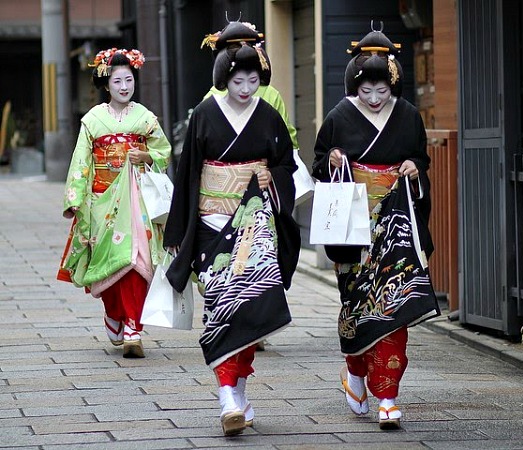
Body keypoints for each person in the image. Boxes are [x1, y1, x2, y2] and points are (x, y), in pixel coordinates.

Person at [163, 21, 300, 436]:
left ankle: (238, 386)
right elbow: (188, 172)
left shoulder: (269, 114)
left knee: (249, 306)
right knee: (221, 307)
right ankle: (227, 394)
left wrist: (269, 176)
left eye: (253, 79)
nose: (245, 87)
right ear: (224, 78)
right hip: (211, 221)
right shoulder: (205, 114)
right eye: (238, 79)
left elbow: (286, 165)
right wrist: (178, 231)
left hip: (255, 223)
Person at [312, 27, 440, 430]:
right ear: (355, 84)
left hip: (395, 227)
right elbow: (318, 163)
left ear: (393, 86)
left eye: (381, 91)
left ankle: (387, 393)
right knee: (354, 303)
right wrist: (331, 160)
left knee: (394, 306)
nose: (373, 98)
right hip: (353, 226)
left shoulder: (407, 115)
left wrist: (414, 169)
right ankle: (354, 369)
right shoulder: (338, 116)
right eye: (366, 90)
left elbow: (420, 157)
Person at [57, 48, 172, 359]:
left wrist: (147, 156)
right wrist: (75, 198)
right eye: (117, 81)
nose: (124, 86)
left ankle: (134, 327)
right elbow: (81, 161)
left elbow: (164, 150)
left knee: (138, 261)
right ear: (106, 86)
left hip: (137, 201)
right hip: (102, 200)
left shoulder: (145, 118)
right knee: (108, 262)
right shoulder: (93, 120)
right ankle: (114, 313)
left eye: (129, 79)